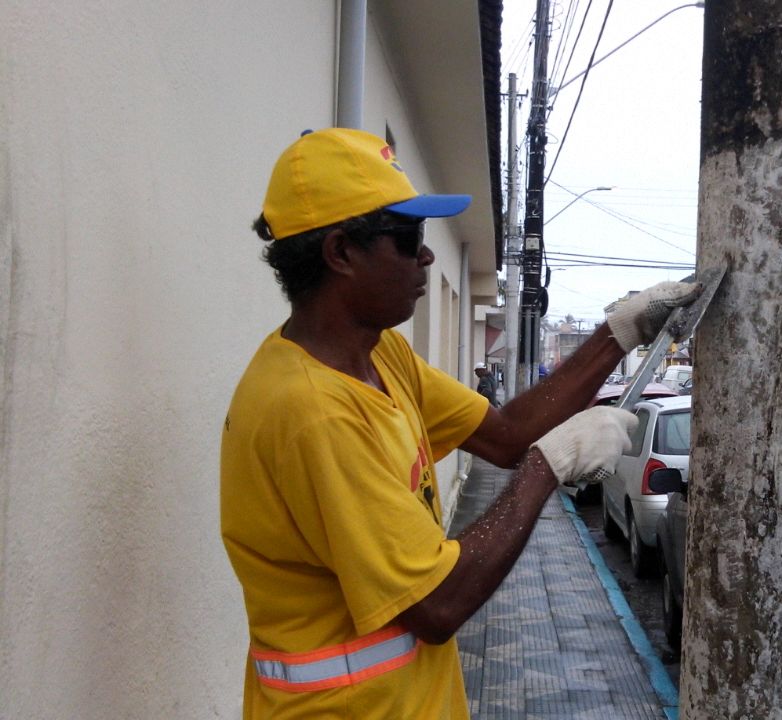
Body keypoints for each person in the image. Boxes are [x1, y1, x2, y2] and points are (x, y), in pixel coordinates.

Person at [220, 128, 700, 719]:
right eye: (408, 237)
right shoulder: (312, 412)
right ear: (340, 253)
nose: (425, 255)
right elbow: (438, 604)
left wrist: (618, 333)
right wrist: (549, 465)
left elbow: (501, 436)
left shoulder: (378, 355)